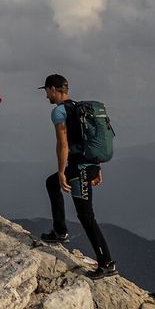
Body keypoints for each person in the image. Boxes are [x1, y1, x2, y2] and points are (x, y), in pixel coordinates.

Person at [39, 73, 117, 278]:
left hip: (79, 169)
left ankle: (106, 262)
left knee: (86, 215)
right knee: (51, 183)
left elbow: (62, 143)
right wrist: (97, 168)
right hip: (88, 165)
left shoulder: (59, 112)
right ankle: (60, 231)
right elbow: (89, 140)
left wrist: (62, 171)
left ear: (54, 89)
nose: (46, 95)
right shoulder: (77, 108)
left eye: (47, 91)